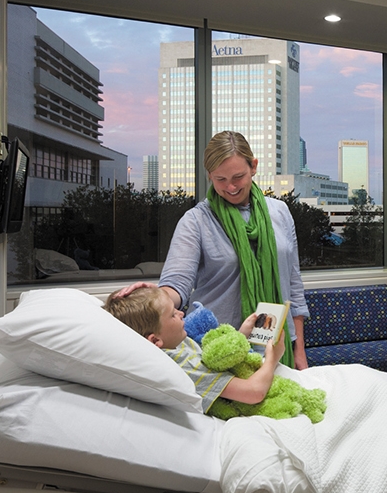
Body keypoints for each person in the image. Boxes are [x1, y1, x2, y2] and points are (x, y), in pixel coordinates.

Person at [114, 130, 309, 369]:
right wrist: (154, 297)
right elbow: (178, 281)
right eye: (220, 179)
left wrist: (299, 349)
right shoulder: (196, 221)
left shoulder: (280, 213)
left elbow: (293, 285)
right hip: (221, 348)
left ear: (254, 166)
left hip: (277, 344)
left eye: (238, 176)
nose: (231, 187)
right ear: (209, 176)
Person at [104, 286, 283, 416]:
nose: (181, 314)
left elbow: (213, 361)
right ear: (155, 340)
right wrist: (272, 358)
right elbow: (253, 392)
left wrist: (241, 336)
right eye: (173, 315)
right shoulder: (181, 365)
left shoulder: (175, 343)